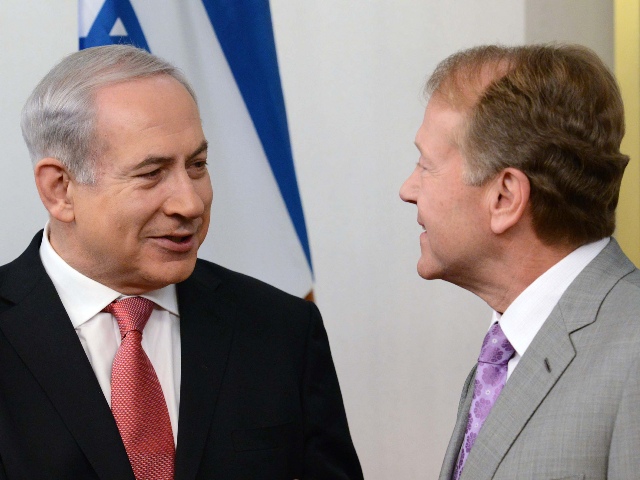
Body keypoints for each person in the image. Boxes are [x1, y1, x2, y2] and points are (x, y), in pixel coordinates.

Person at [0, 44, 362, 480]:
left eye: (197, 165)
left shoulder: (281, 329)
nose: (190, 203)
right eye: (151, 173)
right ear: (60, 189)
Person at [400, 44, 640, 480]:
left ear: (505, 197)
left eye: (426, 165)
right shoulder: (507, 349)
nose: (408, 189)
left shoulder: (633, 351)